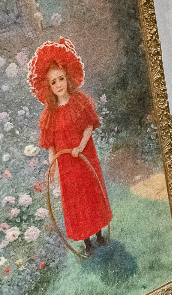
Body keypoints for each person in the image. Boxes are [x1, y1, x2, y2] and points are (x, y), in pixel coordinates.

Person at [28, 38, 112, 255]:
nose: (58, 85)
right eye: (53, 82)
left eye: (61, 79)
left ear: (68, 77)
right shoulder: (50, 114)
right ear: (48, 87)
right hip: (67, 165)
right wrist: (52, 166)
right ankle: (86, 243)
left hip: (85, 158)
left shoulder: (79, 101)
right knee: (76, 203)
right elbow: (51, 146)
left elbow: (88, 127)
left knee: (91, 194)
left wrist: (80, 148)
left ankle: (100, 234)